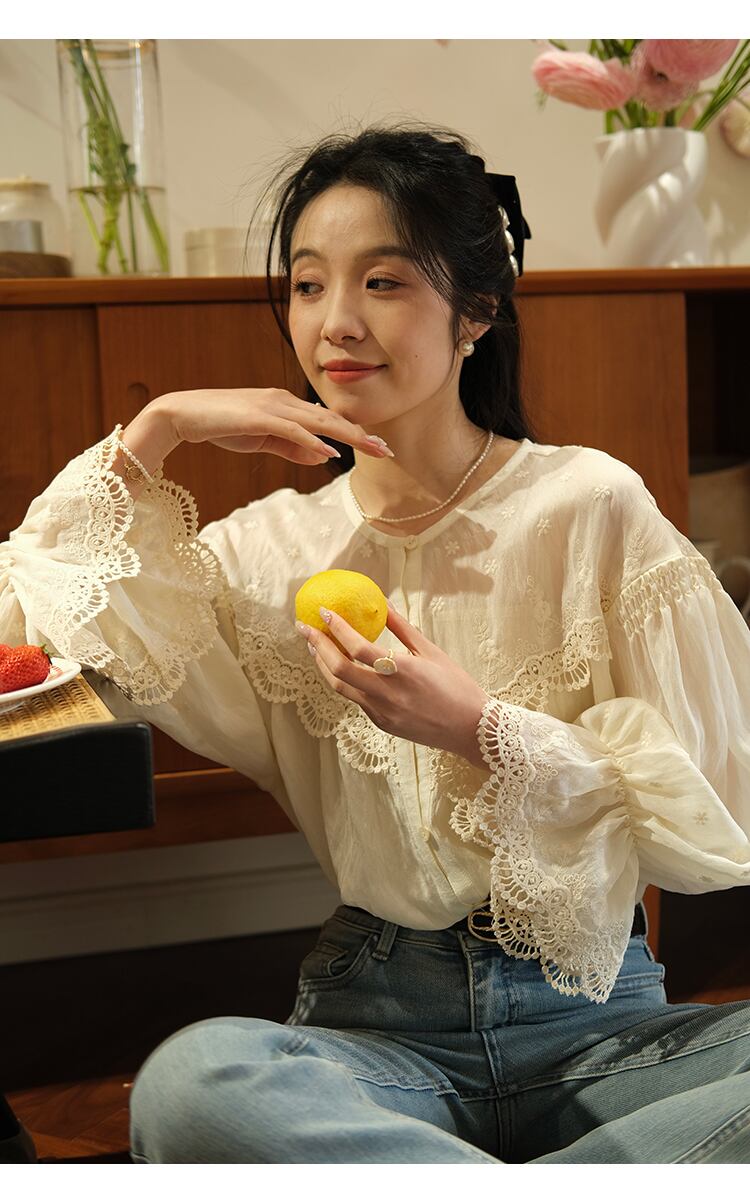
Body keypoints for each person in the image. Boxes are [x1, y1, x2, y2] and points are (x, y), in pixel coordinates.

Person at [2, 120, 750, 1165]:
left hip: (603, 1031)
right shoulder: (261, 553)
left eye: (384, 282)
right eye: (309, 285)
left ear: (477, 310)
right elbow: (26, 616)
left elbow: (711, 800)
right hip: (380, 1037)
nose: (336, 322)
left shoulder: (589, 502)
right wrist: (158, 428)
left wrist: (480, 728)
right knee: (194, 1082)